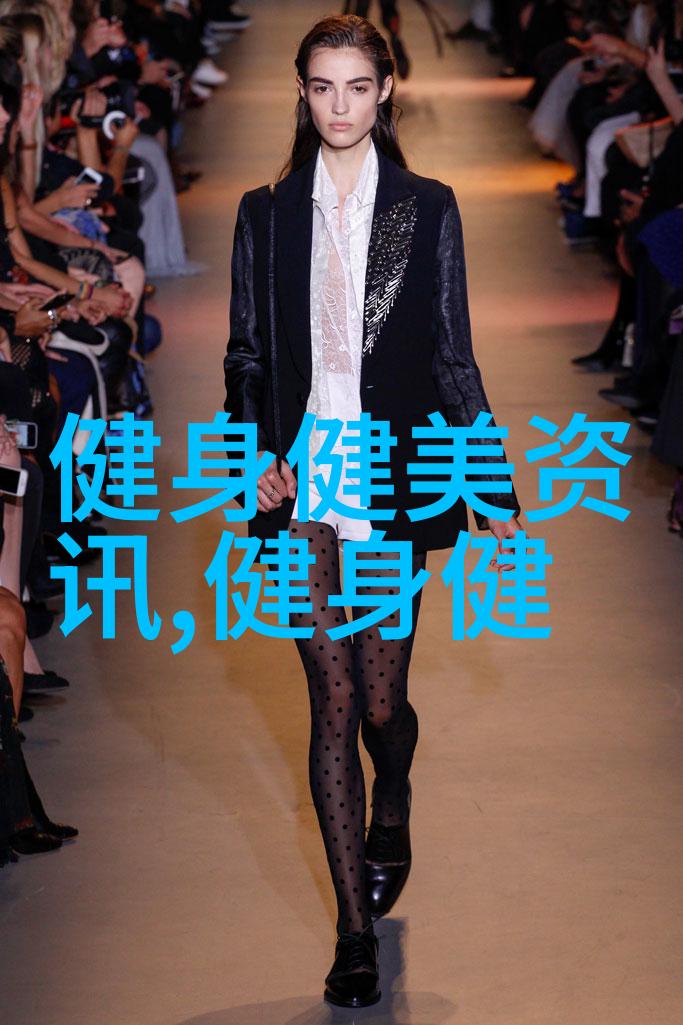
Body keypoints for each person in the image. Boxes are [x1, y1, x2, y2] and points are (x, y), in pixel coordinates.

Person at [224, 13, 522, 1009]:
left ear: (384, 89)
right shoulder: (265, 214)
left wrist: (492, 488)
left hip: (390, 471)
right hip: (302, 477)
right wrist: (253, 460)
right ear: (301, 92)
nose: (339, 106)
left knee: (382, 706)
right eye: (322, 87)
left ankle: (393, 789)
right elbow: (245, 358)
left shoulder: (425, 208)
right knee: (334, 701)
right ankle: (352, 932)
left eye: (357, 86)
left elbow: (450, 352)